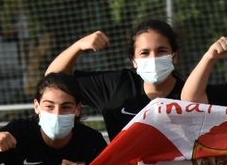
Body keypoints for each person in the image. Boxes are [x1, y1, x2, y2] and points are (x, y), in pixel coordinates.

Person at [46, 19, 190, 140]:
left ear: (174, 56)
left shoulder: (192, 95)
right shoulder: (116, 85)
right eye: (144, 53)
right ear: (133, 60)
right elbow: (53, 82)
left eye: (161, 51)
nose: (153, 58)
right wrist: (77, 47)